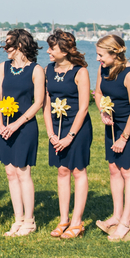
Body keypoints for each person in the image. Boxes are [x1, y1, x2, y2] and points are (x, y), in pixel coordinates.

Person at [93, 35, 130, 242]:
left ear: (115, 53)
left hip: (129, 127)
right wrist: (102, 112)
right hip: (111, 124)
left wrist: (124, 137)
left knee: (127, 171)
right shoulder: (103, 69)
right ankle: (116, 215)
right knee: (114, 169)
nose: (98, 59)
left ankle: (126, 223)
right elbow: (97, 93)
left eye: (101, 55)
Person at [0, 29, 45, 237]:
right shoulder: (3, 67)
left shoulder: (36, 70)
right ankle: (17, 219)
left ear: (21, 46)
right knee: (10, 172)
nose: (5, 49)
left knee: (23, 172)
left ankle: (29, 220)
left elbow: (39, 102)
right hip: (3, 126)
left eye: (8, 45)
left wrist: (16, 124)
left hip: (24, 127)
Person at [43, 30, 92, 239]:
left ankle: (77, 222)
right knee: (62, 171)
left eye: (52, 48)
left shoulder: (80, 72)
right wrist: (51, 133)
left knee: (77, 171)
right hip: (56, 127)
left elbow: (83, 107)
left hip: (77, 128)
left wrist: (70, 136)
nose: (48, 52)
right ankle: (63, 218)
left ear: (64, 50)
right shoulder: (48, 70)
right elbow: (45, 104)